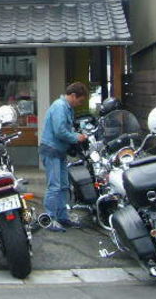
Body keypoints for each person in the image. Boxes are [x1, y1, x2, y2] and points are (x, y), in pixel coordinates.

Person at [39, 81, 89, 232]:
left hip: (59, 151)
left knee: (64, 185)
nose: (79, 104)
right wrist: (76, 137)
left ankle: (62, 216)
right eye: (80, 101)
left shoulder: (67, 108)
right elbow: (60, 131)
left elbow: (66, 128)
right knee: (54, 186)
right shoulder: (60, 107)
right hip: (52, 150)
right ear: (73, 95)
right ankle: (49, 219)